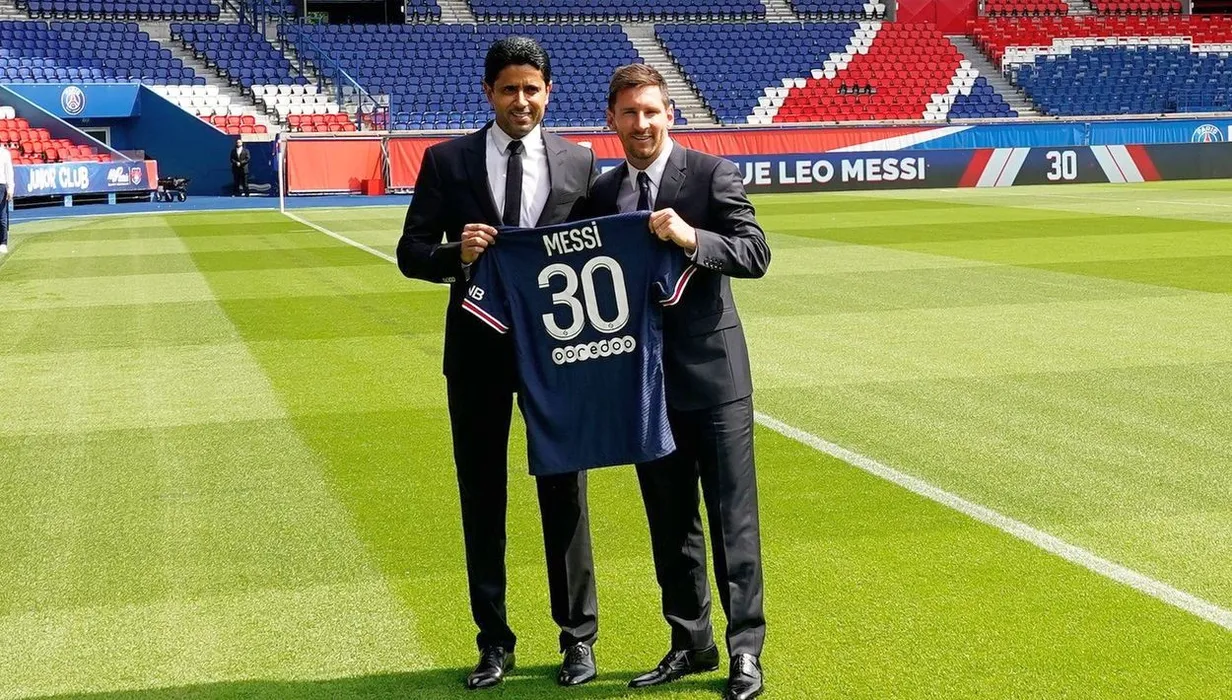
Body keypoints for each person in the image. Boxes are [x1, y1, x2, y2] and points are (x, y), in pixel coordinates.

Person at [395, 36, 600, 690]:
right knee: (482, 496)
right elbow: (409, 251)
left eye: (531, 89)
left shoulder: (580, 162)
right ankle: (493, 640)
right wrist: (454, 253)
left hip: (557, 355)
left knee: (565, 494)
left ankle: (578, 639)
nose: (521, 101)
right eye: (509, 89)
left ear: (549, 92)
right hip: (477, 354)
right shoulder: (447, 161)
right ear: (488, 92)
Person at [586, 64, 771, 700]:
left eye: (651, 111)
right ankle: (690, 642)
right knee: (669, 522)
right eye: (629, 113)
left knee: (731, 520)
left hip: (714, 380)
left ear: (671, 115)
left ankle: (745, 651)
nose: (641, 124)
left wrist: (693, 238)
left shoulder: (712, 173)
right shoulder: (603, 192)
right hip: (643, 384)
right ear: (612, 120)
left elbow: (755, 252)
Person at [0, 145, 11, 255]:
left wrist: (10, 188)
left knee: (2, 215)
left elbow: (9, 172)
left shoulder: (4, 153)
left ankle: (3, 242)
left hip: (1, 185)